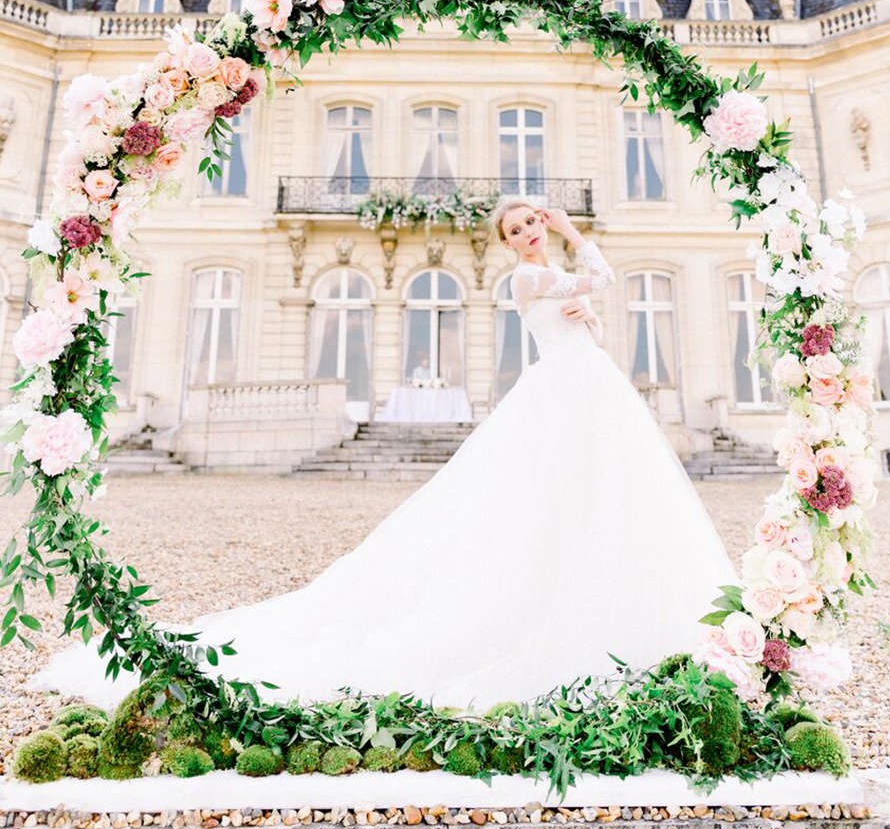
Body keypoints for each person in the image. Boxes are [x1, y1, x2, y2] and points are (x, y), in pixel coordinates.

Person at [31, 200, 739, 712]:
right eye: (516, 228)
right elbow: (604, 279)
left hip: (586, 388)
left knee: (599, 496)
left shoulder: (550, 271)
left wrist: (575, 257)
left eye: (531, 222)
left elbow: (597, 293)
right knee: (547, 501)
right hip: (567, 391)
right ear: (506, 242)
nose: (526, 232)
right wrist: (576, 257)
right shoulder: (525, 280)